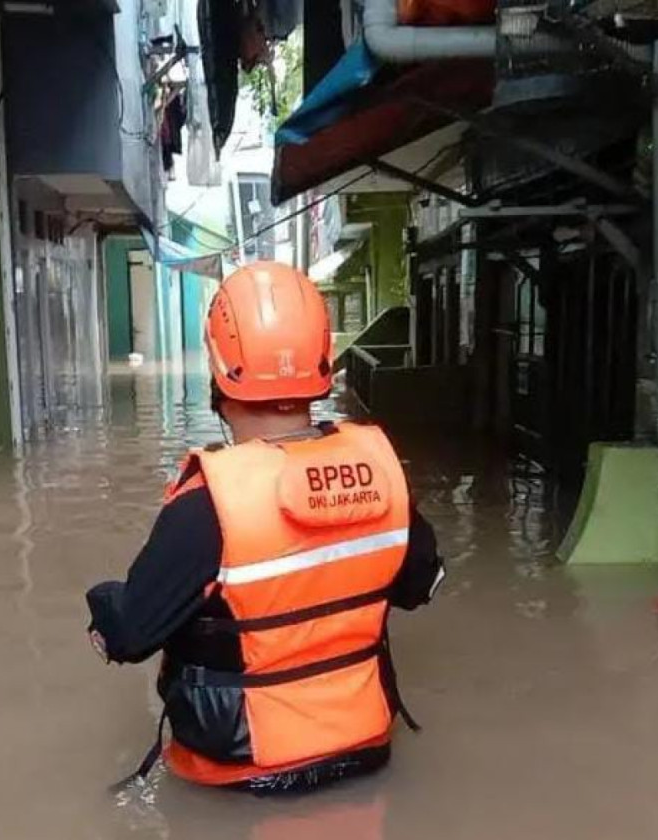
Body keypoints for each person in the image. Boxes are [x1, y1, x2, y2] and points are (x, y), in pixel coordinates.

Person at [86, 261, 444, 794]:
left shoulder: (207, 505)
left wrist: (104, 603)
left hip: (241, 773)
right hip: (366, 751)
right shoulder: (382, 475)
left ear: (218, 369)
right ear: (323, 362)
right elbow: (419, 587)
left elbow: (131, 635)